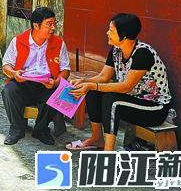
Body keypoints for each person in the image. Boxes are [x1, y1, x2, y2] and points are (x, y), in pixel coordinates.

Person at [67, 13, 172, 151]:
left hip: (154, 109)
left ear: (124, 35)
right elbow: (103, 77)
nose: (107, 33)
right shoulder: (116, 50)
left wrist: (92, 85)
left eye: (111, 30)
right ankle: (97, 138)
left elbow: (126, 87)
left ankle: (108, 152)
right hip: (131, 100)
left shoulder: (143, 53)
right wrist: (84, 81)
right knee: (93, 92)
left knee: (112, 100)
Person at [1, 7, 71, 145]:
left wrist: (56, 82)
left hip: (46, 84)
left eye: (54, 23)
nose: (53, 28)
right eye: (49, 24)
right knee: (9, 90)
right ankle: (16, 129)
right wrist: (14, 73)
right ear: (36, 26)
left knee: (59, 92)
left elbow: (65, 69)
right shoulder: (18, 41)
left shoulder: (58, 43)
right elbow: (6, 65)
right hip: (23, 83)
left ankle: (41, 130)